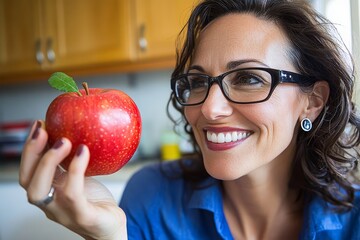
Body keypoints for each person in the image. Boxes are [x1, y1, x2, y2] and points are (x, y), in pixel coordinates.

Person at [19, 0, 360, 239]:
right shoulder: (151, 196)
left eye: (249, 78)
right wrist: (108, 237)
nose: (209, 109)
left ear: (312, 102)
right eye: (197, 82)